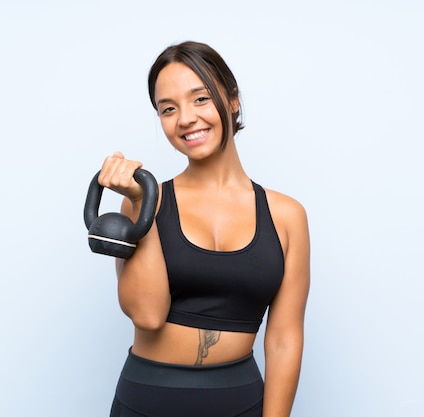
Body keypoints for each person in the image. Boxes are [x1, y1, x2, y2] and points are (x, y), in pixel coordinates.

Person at [97, 41, 310, 417]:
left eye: (199, 99)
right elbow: (147, 315)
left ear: (232, 101)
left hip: (240, 402)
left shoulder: (287, 215)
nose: (185, 119)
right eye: (168, 108)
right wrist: (141, 203)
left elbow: (283, 339)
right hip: (145, 401)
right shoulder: (142, 200)